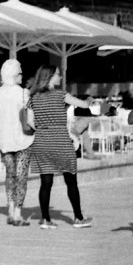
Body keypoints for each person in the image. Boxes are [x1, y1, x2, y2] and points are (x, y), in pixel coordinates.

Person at [27, 65, 90, 229]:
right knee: (71, 181)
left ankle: (45, 220)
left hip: (41, 141)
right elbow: (83, 105)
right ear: (49, 77)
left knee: (45, 183)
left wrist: (42, 128)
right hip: (61, 140)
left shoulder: (33, 97)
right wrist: (89, 100)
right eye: (57, 75)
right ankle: (78, 218)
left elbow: (29, 122)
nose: (60, 77)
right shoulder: (61, 95)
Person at [0, 58, 34, 226]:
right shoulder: (24, 93)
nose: (22, 75)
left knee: (10, 175)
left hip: (4, 141)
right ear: (14, 75)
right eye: (20, 72)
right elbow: (31, 117)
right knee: (21, 176)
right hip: (24, 140)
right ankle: (18, 214)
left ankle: (10, 209)